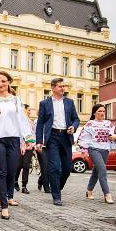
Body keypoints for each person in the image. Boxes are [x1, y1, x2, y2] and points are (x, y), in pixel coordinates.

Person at [0, 71, 33, 219]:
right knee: (1, 170)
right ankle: (4, 205)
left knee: (12, 171)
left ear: (9, 82)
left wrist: (28, 138)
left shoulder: (16, 100)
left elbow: (22, 120)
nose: (0, 84)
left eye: (3, 81)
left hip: (13, 138)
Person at [35, 78, 79, 206]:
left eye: (63, 86)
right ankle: (56, 196)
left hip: (66, 136)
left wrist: (74, 127)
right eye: (60, 86)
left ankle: (57, 187)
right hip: (52, 137)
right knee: (54, 167)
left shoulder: (70, 102)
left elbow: (76, 119)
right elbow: (40, 124)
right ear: (53, 88)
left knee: (67, 168)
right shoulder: (45, 103)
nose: (63, 88)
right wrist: (39, 141)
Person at [77, 104, 116, 204]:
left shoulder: (109, 124)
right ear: (94, 112)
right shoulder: (89, 124)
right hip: (94, 149)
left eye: (104, 111)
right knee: (102, 170)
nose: (102, 113)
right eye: (100, 111)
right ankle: (107, 194)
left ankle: (89, 191)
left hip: (105, 150)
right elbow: (82, 137)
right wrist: (83, 151)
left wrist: (114, 137)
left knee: (96, 170)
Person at [13, 104, 35, 195]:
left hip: (29, 146)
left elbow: (33, 134)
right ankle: (15, 182)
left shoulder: (31, 122)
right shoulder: (18, 121)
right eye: (28, 110)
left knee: (26, 165)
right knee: (18, 165)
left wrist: (33, 144)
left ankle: (24, 186)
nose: (30, 112)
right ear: (24, 110)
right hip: (19, 146)